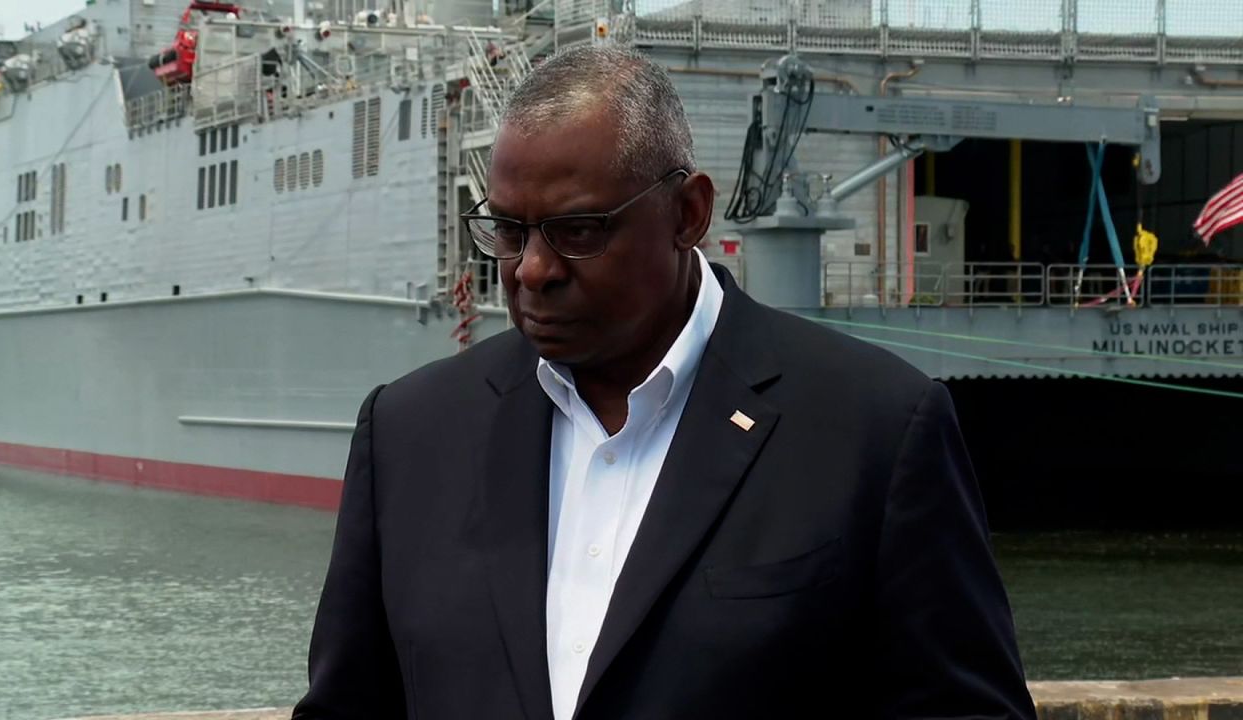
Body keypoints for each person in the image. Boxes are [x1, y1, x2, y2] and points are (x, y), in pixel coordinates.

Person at [294, 44, 1035, 720]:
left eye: (578, 231)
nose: (531, 271)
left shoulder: (876, 431)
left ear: (688, 213)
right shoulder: (409, 434)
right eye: (509, 231)